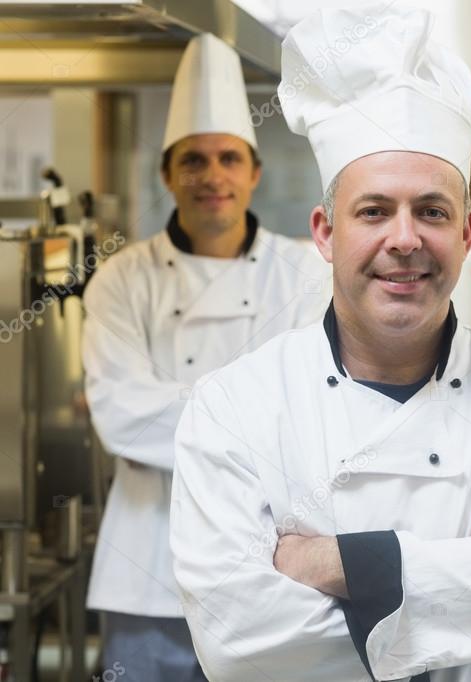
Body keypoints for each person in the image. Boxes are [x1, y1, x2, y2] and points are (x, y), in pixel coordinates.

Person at [169, 6, 471, 681]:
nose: (404, 240)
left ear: (465, 235)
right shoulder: (234, 404)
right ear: (324, 232)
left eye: (430, 211)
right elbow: (236, 639)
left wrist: (334, 563)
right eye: (373, 210)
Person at [81, 33, 330, 681]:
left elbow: (315, 411)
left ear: (253, 171)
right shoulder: (121, 278)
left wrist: (192, 415)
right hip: (145, 572)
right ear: (167, 173)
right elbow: (119, 418)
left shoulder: (303, 273)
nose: (211, 177)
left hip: (271, 568)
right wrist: (254, 419)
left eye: (227, 158)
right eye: (193, 160)